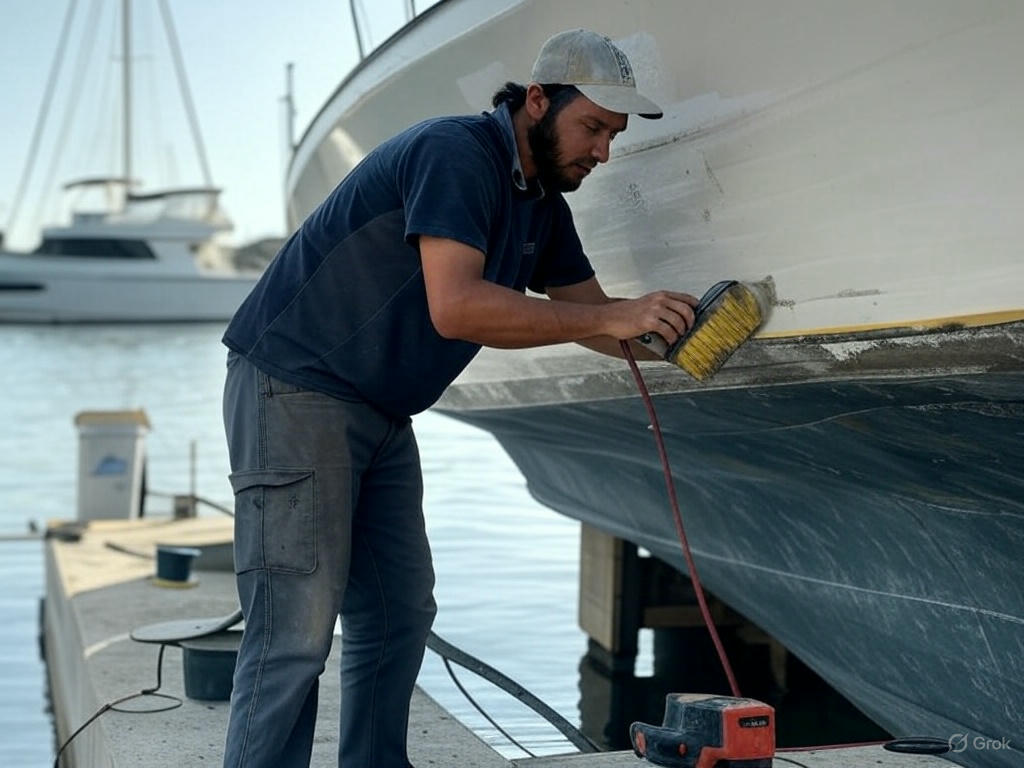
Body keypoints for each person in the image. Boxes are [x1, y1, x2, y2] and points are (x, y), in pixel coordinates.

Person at [219, 27, 697, 768]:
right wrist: (612, 316)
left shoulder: (541, 204)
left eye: (613, 135)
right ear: (538, 100)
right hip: (296, 389)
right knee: (294, 633)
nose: (603, 151)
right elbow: (459, 307)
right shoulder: (455, 153)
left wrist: (679, 331)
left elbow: (597, 318)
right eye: (593, 127)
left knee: (399, 611)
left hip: (380, 411)